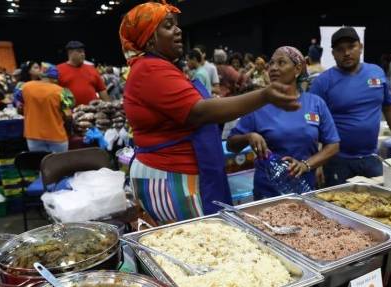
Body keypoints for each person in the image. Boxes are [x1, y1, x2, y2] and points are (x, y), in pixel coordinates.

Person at [120, 1, 299, 225]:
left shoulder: (159, 67)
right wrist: (264, 95)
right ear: (149, 38)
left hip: (181, 173)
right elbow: (199, 112)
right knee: (192, 244)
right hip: (172, 176)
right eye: (168, 26)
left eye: (176, 25)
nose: (178, 30)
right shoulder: (150, 69)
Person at [227, 46, 340, 199]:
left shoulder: (315, 104)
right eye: (271, 63)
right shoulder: (258, 104)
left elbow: (333, 145)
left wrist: (306, 165)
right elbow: (231, 145)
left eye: (281, 63)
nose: (273, 68)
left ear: (297, 69)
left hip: (305, 190)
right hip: (267, 194)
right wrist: (248, 137)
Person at [310, 27, 391, 186]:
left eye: (351, 47)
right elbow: (312, 124)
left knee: (377, 205)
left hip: (371, 158)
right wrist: (316, 162)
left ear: (360, 47)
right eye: (340, 50)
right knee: (336, 207)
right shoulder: (322, 82)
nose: (346, 53)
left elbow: (389, 108)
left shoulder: (376, 73)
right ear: (333, 54)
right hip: (337, 161)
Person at [14, 63, 75, 153]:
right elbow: (68, 116)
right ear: (55, 78)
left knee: (40, 165)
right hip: (57, 136)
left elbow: (19, 109)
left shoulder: (24, 87)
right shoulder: (62, 91)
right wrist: (69, 132)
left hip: (33, 136)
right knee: (59, 165)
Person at [57, 41, 109, 106]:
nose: (83, 54)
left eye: (83, 52)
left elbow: (102, 90)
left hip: (93, 112)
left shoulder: (92, 68)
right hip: (71, 113)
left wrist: (109, 106)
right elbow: (55, 93)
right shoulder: (58, 69)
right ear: (70, 53)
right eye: (79, 51)